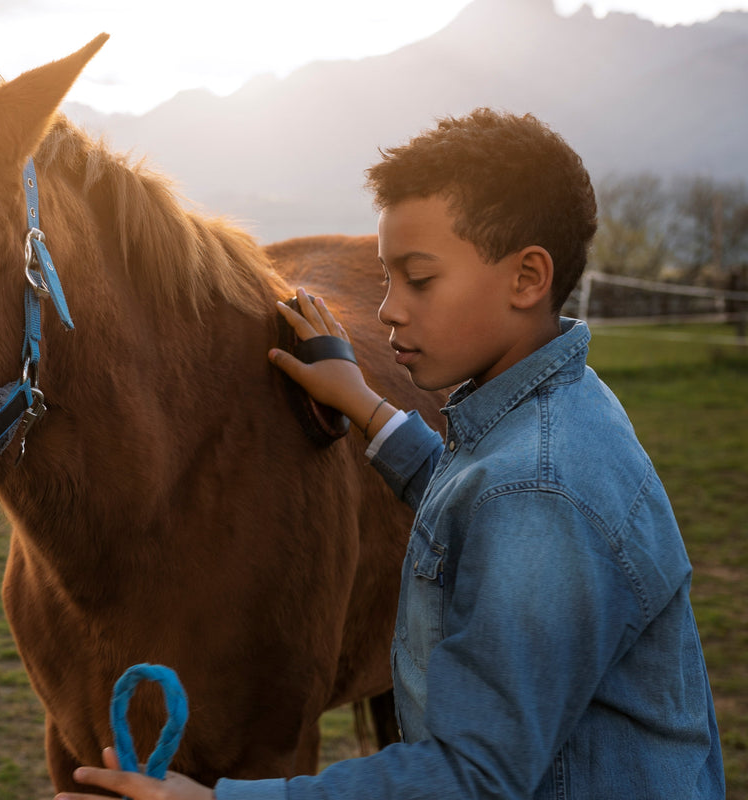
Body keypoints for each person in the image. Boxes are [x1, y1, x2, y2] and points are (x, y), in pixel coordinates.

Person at [61, 109, 724, 799]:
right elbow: (476, 510)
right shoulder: (561, 410)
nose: (388, 310)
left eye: (420, 280)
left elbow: (476, 778)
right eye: (386, 278)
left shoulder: (540, 493)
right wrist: (366, 406)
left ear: (528, 278)